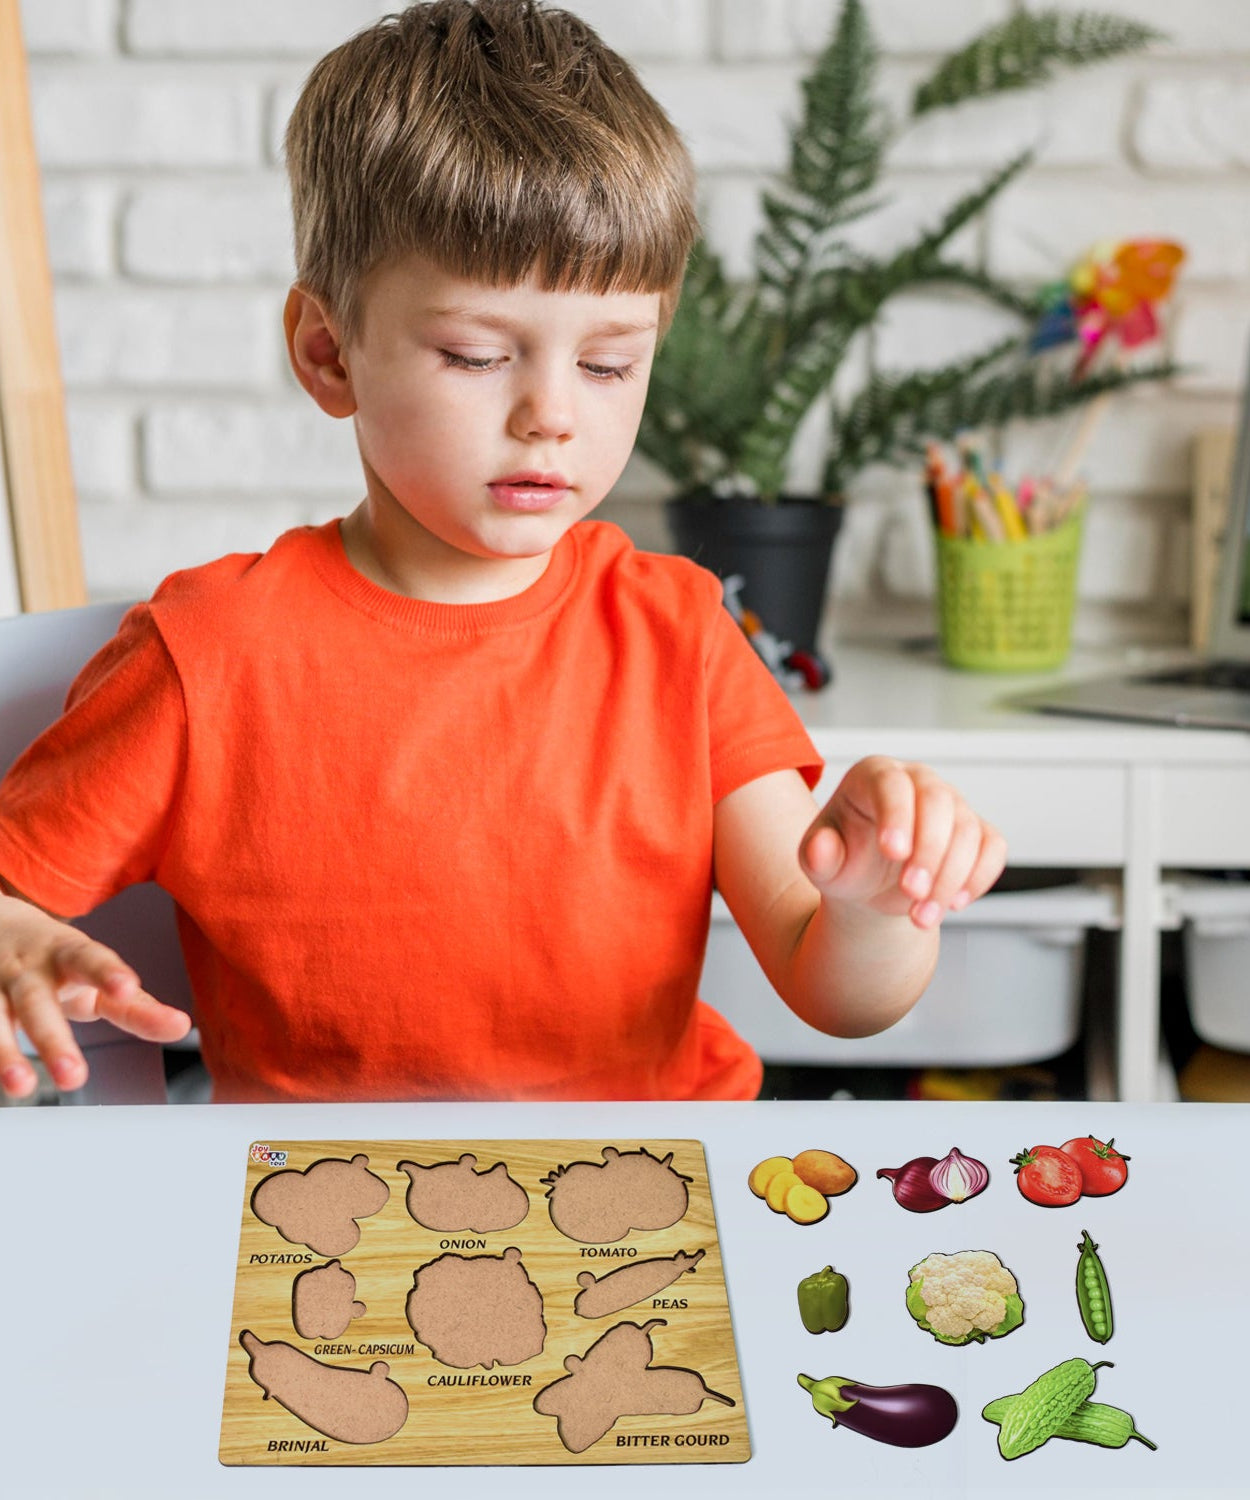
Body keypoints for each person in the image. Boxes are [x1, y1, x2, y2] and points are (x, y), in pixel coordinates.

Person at [0, 0, 1005, 1105]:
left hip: (654, 1188)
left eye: (611, 364)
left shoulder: (677, 634)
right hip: (330, 1214)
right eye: (478, 355)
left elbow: (838, 993)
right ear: (329, 354)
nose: (551, 416)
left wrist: (874, 903)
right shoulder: (207, 654)